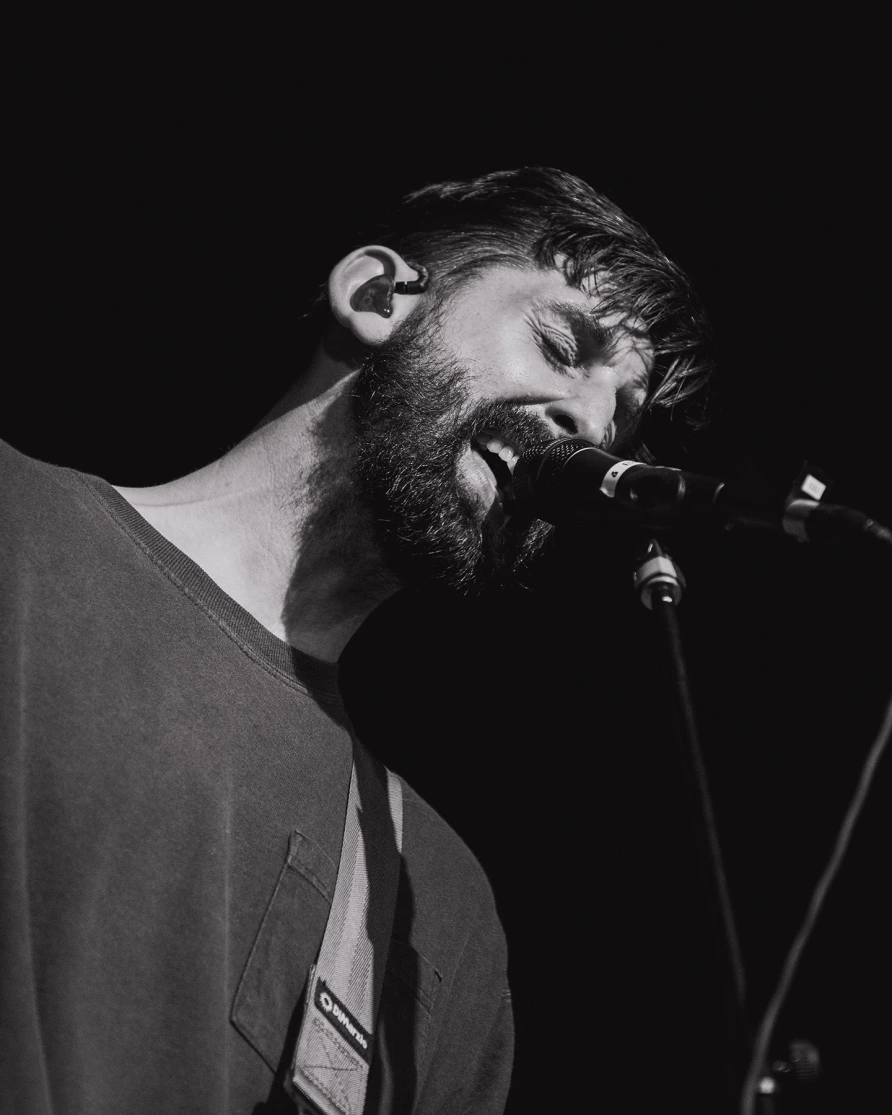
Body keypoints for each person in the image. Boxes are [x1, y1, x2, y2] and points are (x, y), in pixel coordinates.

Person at [0, 167, 712, 1114]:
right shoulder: (19, 528)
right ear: (377, 296)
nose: (590, 424)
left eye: (620, 417)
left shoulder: (434, 914)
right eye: (558, 345)